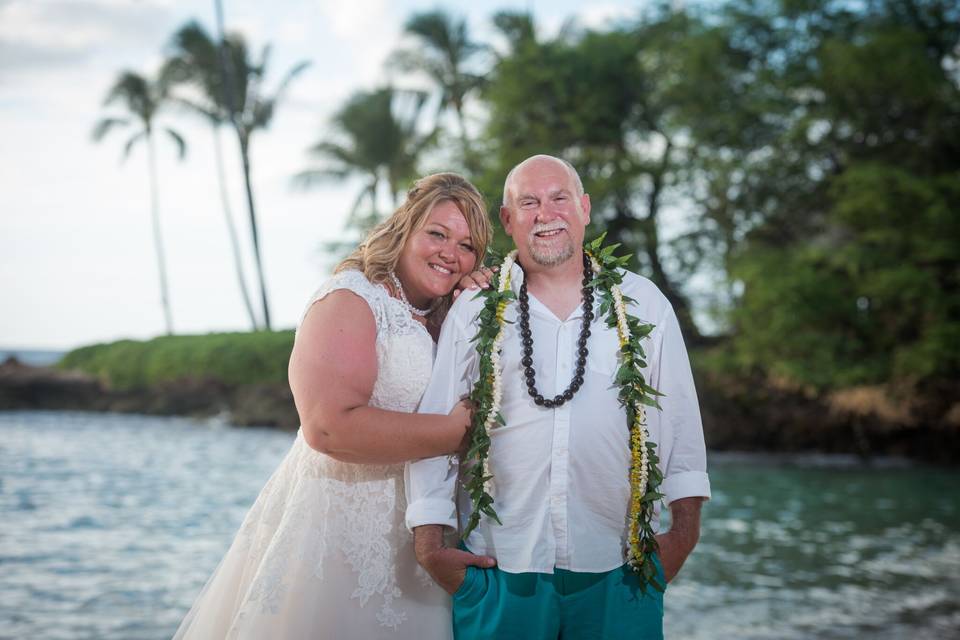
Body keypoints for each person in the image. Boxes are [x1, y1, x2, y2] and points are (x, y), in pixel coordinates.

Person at [173, 172, 493, 640]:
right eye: (437, 234)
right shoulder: (351, 297)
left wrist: (479, 300)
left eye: (467, 246)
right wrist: (459, 431)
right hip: (340, 527)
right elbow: (327, 428)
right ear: (404, 229)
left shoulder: (450, 309)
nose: (451, 253)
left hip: (427, 527)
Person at [405, 155, 711, 639]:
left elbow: (681, 426)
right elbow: (435, 428)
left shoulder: (643, 301)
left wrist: (682, 537)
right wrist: (430, 547)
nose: (545, 214)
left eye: (558, 198)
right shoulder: (475, 308)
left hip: (622, 567)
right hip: (500, 566)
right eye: (528, 203)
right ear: (508, 220)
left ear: (584, 209)